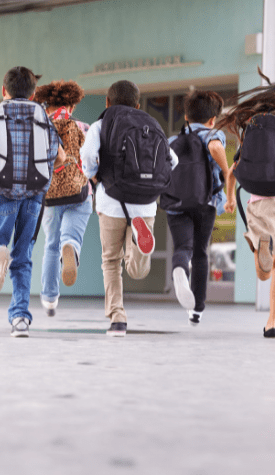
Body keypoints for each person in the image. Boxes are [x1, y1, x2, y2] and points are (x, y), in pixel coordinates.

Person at [81, 80, 178, 337]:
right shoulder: (151, 123)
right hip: (145, 204)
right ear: (138, 104)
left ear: (107, 102)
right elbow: (173, 160)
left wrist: (92, 175)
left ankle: (118, 318)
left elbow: (88, 154)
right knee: (137, 270)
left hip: (111, 201)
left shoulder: (101, 124)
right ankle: (140, 244)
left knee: (111, 262)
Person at [0, 66, 66, 337]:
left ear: (4, 91)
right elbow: (59, 156)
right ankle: (20, 320)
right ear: (34, 92)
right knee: (23, 255)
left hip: (1, 191)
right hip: (34, 194)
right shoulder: (42, 115)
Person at [165, 91, 229, 326]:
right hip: (205, 203)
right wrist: (226, 171)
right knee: (201, 252)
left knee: (183, 247)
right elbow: (214, 148)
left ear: (186, 117)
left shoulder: (172, 141)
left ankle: (180, 269)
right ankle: (197, 310)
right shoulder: (214, 134)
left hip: (176, 203)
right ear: (213, 119)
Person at [219, 69, 275, 338]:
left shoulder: (255, 124)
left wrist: (230, 198)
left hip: (258, 203)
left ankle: (261, 244)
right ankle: (272, 322)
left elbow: (232, 172)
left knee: (265, 270)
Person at [33, 80, 92, 317]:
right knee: (70, 236)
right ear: (73, 104)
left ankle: (49, 298)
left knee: (50, 245)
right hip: (78, 192)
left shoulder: (40, 127)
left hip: (49, 195)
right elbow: (92, 162)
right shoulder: (82, 126)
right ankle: (72, 247)